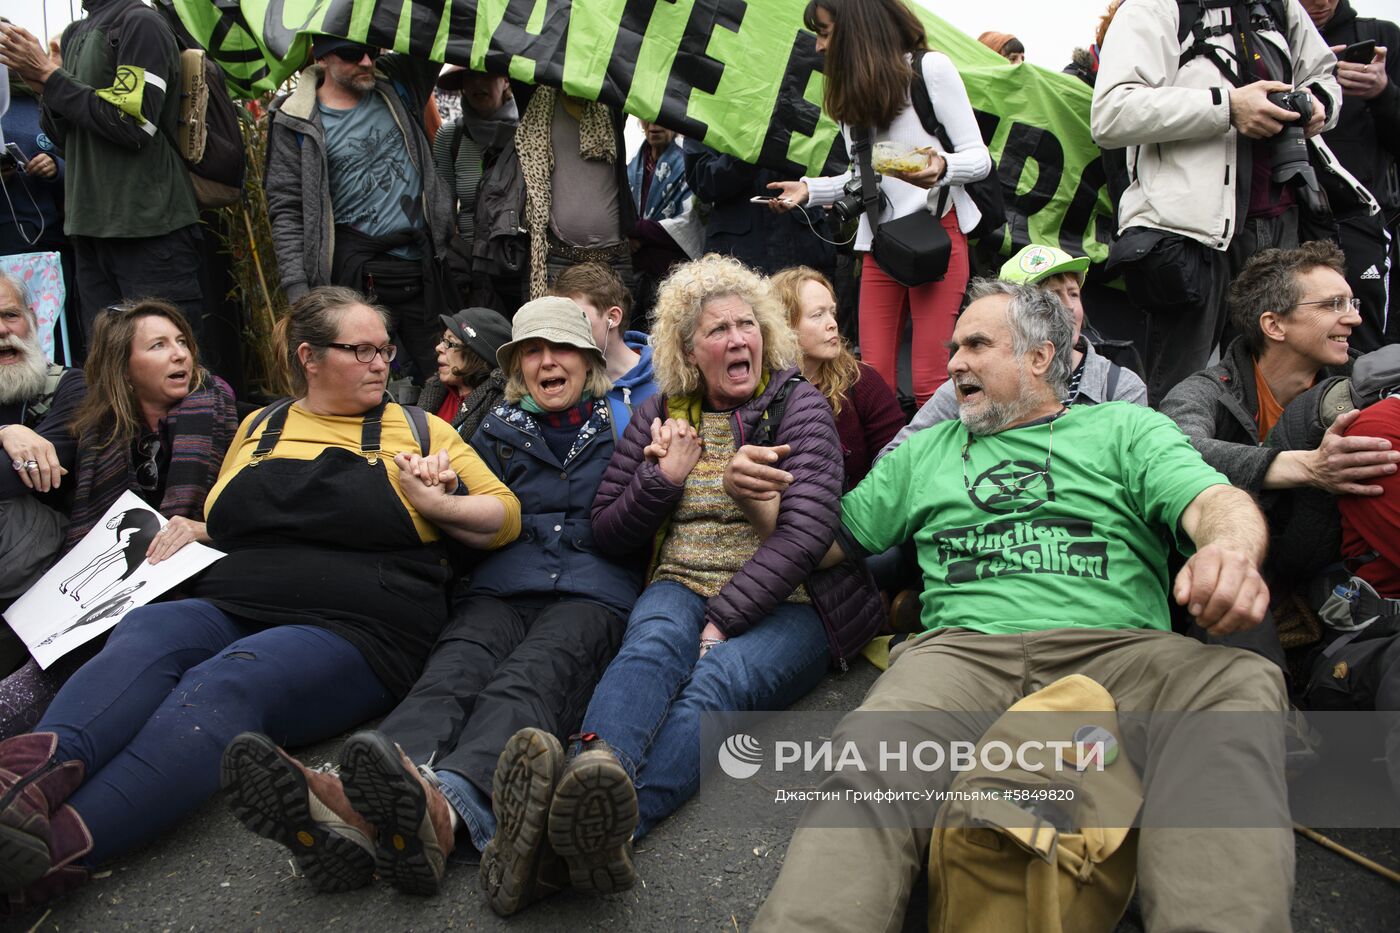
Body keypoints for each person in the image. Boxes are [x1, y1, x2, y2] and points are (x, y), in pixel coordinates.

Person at [750, 280, 1292, 932]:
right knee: (873, 749)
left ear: (1040, 356)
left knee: (1238, 682)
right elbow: (830, 542)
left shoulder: (1125, 427)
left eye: (976, 344)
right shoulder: (925, 451)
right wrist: (760, 501)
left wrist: (1228, 551)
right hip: (961, 653)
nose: (953, 362)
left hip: (1116, 650)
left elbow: (1215, 501)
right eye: (953, 347)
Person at [0, 286, 520, 913]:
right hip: (235, 597)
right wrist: (199, 526)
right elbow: (230, 515)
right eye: (363, 350)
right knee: (146, 632)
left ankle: (52, 851)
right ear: (311, 357)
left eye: (385, 350)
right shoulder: (262, 424)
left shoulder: (420, 428)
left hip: (359, 625)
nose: (383, 363)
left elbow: (505, 515)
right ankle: (22, 787)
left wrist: (439, 501)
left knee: (224, 683)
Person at [479, 253, 882, 914]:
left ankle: (592, 830)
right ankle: (595, 775)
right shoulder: (664, 411)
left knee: (718, 681)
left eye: (747, 325)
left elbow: (808, 534)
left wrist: (723, 619)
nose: (737, 340)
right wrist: (660, 480)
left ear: (765, 335)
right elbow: (609, 528)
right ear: (689, 349)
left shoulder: (797, 404)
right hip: (679, 578)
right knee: (652, 641)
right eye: (718, 330)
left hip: (794, 602)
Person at [220, 296, 639, 913]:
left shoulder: (629, 423)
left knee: (528, 682)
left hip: (590, 591)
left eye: (564, 350)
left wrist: (659, 479)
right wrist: (439, 493)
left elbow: (647, 518)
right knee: (451, 673)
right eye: (533, 353)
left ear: (588, 359)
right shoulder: (490, 429)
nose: (549, 363)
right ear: (517, 366)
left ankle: (441, 811)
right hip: (499, 584)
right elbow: (458, 512)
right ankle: (367, 804)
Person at [1092, 0, 1369, 404]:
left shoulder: (1279, 6)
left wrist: (1315, 103)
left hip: (1283, 225)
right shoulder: (1154, 6)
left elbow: (1323, 76)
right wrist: (1228, 108)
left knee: (1279, 388)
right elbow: (1110, 114)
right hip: (1188, 234)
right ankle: (1175, 467)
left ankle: (1269, 467)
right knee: (1180, 394)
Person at [0, 298, 235, 738]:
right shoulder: (100, 431)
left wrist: (204, 529)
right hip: (102, 596)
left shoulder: (220, 413)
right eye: (159, 346)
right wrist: (6, 431)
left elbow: (255, 516)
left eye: (182, 341)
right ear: (123, 369)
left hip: (194, 594)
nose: (180, 354)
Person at [769, 0, 992, 405]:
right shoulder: (851, 95)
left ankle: (935, 467)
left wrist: (942, 167)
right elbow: (863, 177)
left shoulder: (930, 70)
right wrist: (809, 190)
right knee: (872, 382)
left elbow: (980, 159)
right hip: (880, 243)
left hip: (936, 234)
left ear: (855, 29)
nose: (818, 47)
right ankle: (883, 467)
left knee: (930, 383)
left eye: (824, 32)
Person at [1159, 242, 1397, 584]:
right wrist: (1308, 467)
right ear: (1274, 325)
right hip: (1219, 574)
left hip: (1334, 579)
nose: (1355, 317)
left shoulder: (1365, 383)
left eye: (1352, 303)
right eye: (1333, 305)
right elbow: (1174, 449)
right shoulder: (1207, 391)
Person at [0, 3, 204, 347]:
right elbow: (67, 138)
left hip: (148, 229)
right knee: (107, 369)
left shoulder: (140, 23)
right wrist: (39, 83)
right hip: (88, 230)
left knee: (171, 363)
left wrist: (50, 75)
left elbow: (133, 125)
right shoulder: (76, 33)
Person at [265, 36, 458, 382]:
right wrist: (299, 291)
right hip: (354, 277)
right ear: (322, 57)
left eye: (373, 51)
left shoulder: (397, 83)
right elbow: (287, 208)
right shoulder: (295, 121)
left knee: (442, 375)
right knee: (367, 380)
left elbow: (432, 30)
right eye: (354, 54)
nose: (367, 62)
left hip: (423, 267)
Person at [879, 243, 1148, 460]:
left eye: (1074, 294)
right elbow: (892, 460)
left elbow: (1139, 475)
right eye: (1052, 296)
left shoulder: (1118, 387)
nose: (1069, 307)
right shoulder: (971, 382)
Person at [1306, 0, 1400, 352]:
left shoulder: (1380, 37)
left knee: (1361, 342)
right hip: (1281, 221)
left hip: (1363, 225)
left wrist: (1383, 93)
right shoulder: (1264, 40)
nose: (1320, 3)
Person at [0, 272, 84, 656]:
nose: (3, 331)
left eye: (11, 315)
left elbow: (36, 472)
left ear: (33, 319)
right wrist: (4, 432)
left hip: (54, 571)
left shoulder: (70, 385)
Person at [770, 265, 903, 489]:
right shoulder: (760, 387)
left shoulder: (861, 381)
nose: (832, 324)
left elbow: (899, 462)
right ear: (783, 325)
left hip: (860, 514)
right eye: (817, 315)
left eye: (832, 312)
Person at [510, 82, 636, 302]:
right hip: (556, 258)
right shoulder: (533, 93)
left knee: (611, 335)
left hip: (614, 259)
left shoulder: (612, 100)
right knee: (551, 335)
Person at [431, 66, 517, 304]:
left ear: (506, 81)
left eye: (487, 74)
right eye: (470, 76)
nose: (478, 83)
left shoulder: (528, 133)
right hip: (469, 270)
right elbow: (442, 211)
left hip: (516, 266)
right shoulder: (450, 136)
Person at [549, 261, 657, 407]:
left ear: (612, 318)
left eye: (574, 316)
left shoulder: (668, 378)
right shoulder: (559, 383)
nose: (564, 328)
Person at [627, 119, 691, 325]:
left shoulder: (686, 165)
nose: (654, 125)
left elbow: (690, 224)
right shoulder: (633, 166)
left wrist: (635, 230)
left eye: (661, 119)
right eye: (647, 119)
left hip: (671, 272)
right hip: (635, 273)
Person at [415, 306, 511, 440]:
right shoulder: (436, 390)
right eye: (443, 340)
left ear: (476, 355)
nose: (438, 348)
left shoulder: (499, 409)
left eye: (450, 343)